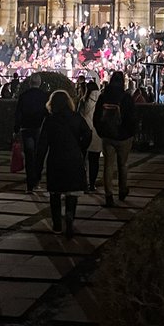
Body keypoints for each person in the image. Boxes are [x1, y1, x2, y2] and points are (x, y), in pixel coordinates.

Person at [35, 90, 92, 236]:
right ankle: (70, 215)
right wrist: (81, 147)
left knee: (55, 193)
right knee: (72, 191)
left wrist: (38, 167)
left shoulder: (50, 120)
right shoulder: (76, 117)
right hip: (73, 156)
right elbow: (87, 133)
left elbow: (42, 145)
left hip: (56, 158)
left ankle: (57, 225)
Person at [94, 70, 137, 206]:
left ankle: (109, 195)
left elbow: (96, 117)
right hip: (124, 136)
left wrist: (101, 132)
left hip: (108, 136)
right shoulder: (126, 98)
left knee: (108, 165)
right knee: (122, 165)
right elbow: (132, 118)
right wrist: (131, 133)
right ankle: (122, 190)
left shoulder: (103, 96)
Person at [14, 73, 48, 193]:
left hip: (26, 128)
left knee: (29, 156)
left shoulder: (24, 96)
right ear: (40, 83)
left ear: (30, 83)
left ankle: (29, 184)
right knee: (39, 156)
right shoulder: (44, 96)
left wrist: (16, 129)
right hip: (39, 128)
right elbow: (47, 113)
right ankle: (37, 180)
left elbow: (18, 113)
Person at [78, 79, 103, 191]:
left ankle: (83, 182)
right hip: (96, 133)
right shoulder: (101, 101)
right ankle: (92, 184)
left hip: (84, 133)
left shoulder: (83, 101)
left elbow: (78, 116)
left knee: (82, 159)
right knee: (94, 161)